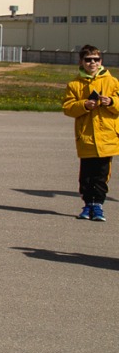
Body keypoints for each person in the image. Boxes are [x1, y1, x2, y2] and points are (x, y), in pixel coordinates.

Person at [62, 44, 118, 221]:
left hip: (107, 137)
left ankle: (98, 205)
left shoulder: (112, 82)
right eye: (88, 60)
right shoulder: (74, 84)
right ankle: (87, 204)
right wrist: (84, 105)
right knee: (86, 176)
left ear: (101, 61)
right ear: (81, 62)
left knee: (101, 176)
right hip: (86, 137)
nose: (92, 63)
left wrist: (111, 102)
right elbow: (68, 108)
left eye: (96, 59)